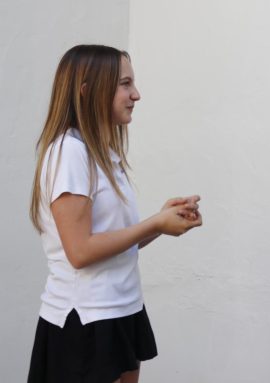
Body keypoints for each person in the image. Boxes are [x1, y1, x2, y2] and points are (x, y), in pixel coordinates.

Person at [27, 45, 202, 383]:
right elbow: (80, 252)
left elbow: (112, 242)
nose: (136, 94)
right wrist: (153, 223)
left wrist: (162, 221)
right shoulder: (69, 152)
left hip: (122, 310)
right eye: (125, 83)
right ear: (87, 91)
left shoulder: (101, 154)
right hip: (86, 322)